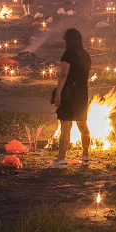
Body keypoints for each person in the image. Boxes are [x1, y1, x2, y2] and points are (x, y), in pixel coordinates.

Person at [51, 28, 92, 168]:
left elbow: (64, 75)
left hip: (69, 94)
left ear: (68, 40)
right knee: (83, 125)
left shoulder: (68, 54)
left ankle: (61, 159)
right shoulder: (86, 55)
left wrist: (58, 94)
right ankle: (85, 156)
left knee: (65, 127)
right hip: (82, 94)